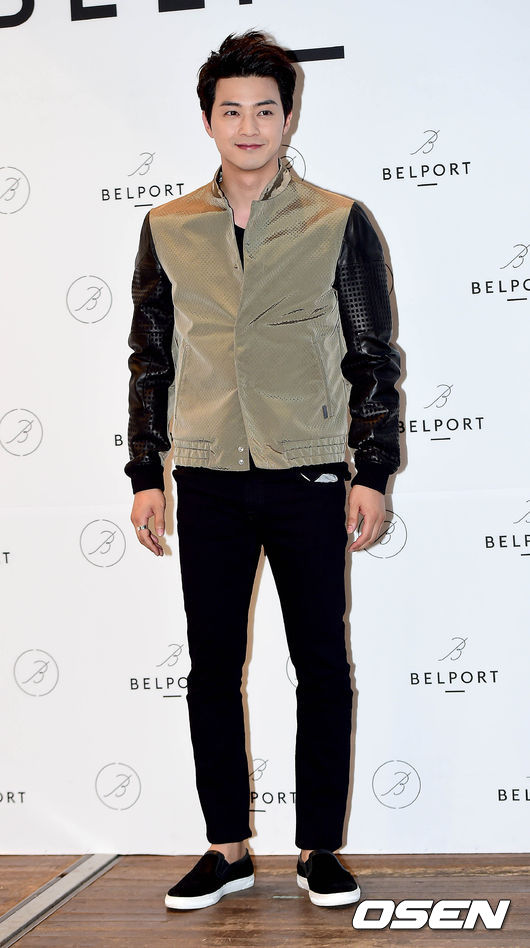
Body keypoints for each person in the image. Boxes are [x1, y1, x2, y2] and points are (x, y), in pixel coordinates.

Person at [124, 29, 401, 911]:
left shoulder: (337, 220)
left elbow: (371, 354)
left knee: (320, 661)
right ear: (208, 120)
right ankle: (228, 848)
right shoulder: (168, 227)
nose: (249, 127)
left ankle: (319, 848)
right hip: (206, 475)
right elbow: (150, 357)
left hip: (307, 472)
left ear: (289, 118)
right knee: (212, 667)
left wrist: (373, 469)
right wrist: (144, 471)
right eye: (231, 110)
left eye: (265, 110)